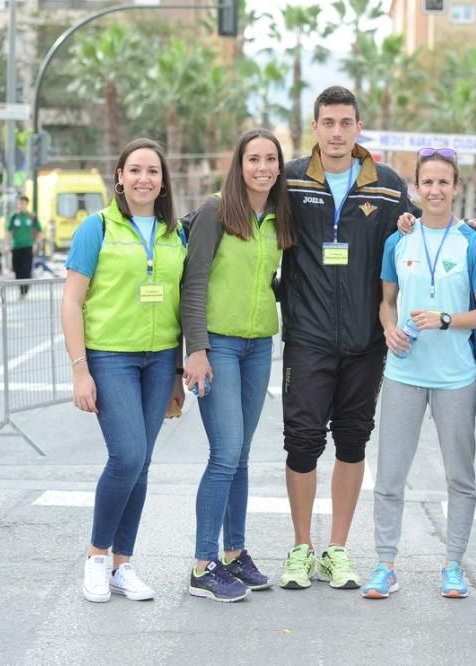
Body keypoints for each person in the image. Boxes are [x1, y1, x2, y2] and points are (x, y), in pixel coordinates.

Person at [278, 86, 476, 591]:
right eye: (327, 122)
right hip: (307, 336)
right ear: (315, 127)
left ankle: (337, 550)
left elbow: (427, 224)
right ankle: (300, 549)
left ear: (358, 128)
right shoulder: (289, 180)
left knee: (352, 442)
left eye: (345, 122)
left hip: (366, 343)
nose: (336, 132)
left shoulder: (389, 184)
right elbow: (248, 211)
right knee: (302, 443)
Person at [360, 147, 476, 600]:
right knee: (390, 475)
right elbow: (387, 301)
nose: (435, 190)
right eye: (428, 182)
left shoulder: (472, 243)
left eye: (444, 182)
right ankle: (385, 564)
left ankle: (453, 564)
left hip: (456, 375)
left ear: (456, 187)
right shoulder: (399, 240)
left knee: (460, 476)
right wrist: (387, 330)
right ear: (415, 188)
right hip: (404, 372)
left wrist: (444, 320)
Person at [61, 138, 187, 603]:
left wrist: (176, 370)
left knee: (144, 462)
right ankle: (96, 556)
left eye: (153, 171)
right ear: (119, 176)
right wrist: (80, 370)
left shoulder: (177, 234)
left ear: (163, 181)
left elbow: (179, 302)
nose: (144, 179)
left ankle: (123, 564)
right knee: (128, 456)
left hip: (159, 361)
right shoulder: (95, 228)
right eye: (135, 170)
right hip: (110, 356)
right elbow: (72, 301)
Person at [181, 129, 296, 602]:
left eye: (271, 159)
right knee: (225, 452)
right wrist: (197, 348)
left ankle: (234, 554)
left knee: (242, 455)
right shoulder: (215, 211)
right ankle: (202, 565)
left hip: (258, 347)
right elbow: (194, 281)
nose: (263, 167)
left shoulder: (277, 217)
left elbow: (272, 279)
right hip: (219, 347)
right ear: (239, 164)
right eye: (254, 159)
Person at [7, 195, 42, 297]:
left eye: (22, 203)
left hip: (28, 246)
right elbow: (8, 232)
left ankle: (24, 290)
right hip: (16, 247)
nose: (20, 205)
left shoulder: (32, 217)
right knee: (17, 268)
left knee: (26, 269)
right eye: (19, 203)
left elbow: (40, 232)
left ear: (26, 204)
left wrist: (36, 243)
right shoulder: (14, 217)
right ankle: (21, 288)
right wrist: (6, 244)